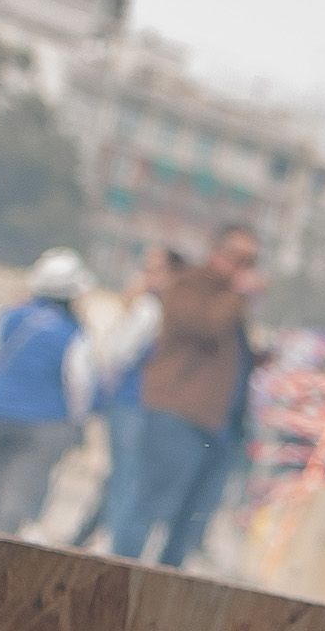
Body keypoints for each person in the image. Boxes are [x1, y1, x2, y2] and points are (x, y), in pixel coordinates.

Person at [95, 225, 262, 562]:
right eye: (237, 260)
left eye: (251, 262)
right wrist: (238, 295)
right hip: (175, 412)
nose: (243, 270)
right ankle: (122, 570)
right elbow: (204, 328)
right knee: (149, 503)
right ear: (217, 253)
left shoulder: (232, 302)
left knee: (190, 519)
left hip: (216, 424)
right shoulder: (189, 286)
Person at [0, 247, 99, 535]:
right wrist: (76, 421)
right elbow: (80, 385)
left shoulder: (8, 316)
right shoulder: (73, 332)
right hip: (44, 424)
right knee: (18, 493)